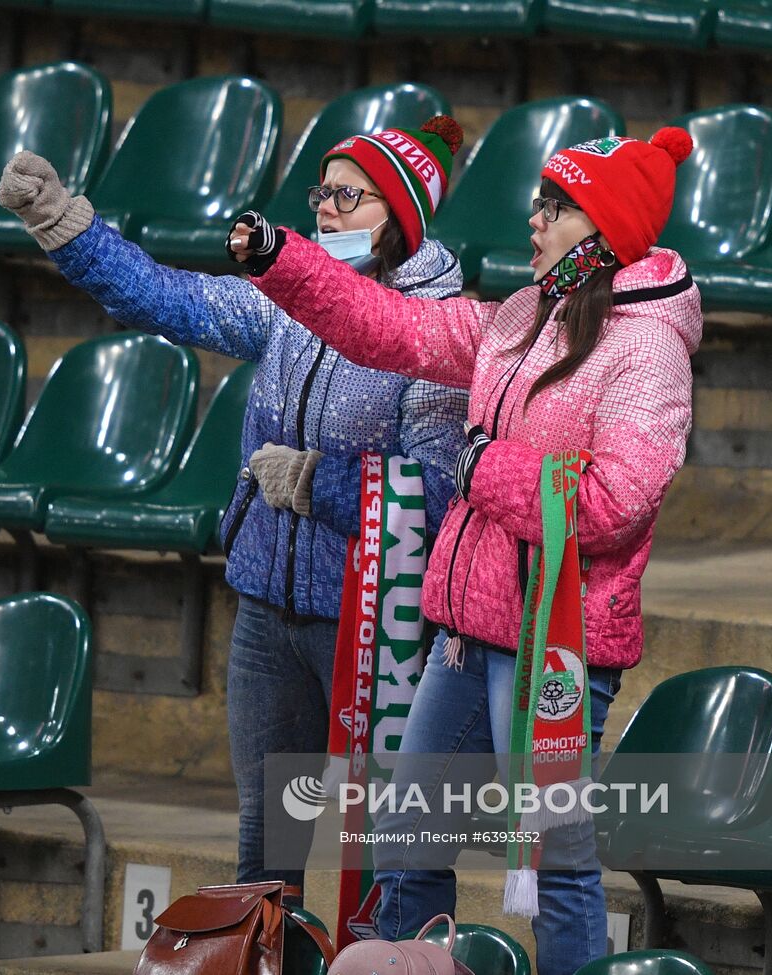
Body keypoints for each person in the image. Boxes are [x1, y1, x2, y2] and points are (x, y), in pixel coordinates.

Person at [226, 128, 702, 974]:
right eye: (538, 201)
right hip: (466, 626)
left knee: (556, 866)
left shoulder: (647, 347)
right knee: (405, 840)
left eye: (556, 208)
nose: (535, 219)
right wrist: (282, 258)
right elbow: (391, 327)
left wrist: (483, 466)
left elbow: (615, 502)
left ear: (606, 229)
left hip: (557, 643)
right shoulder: (524, 314)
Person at [0, 116, 471, 894]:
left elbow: (438, 488)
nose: (323, 209)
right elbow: (170, 299)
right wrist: (63, 225)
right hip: (265, 613)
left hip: (369, 623)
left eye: (347, 196)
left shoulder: (437, 330)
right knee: (265, 844)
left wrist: (317, 482)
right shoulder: (292, 295)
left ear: (400, 218)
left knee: (389, 853)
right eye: (321, 190)